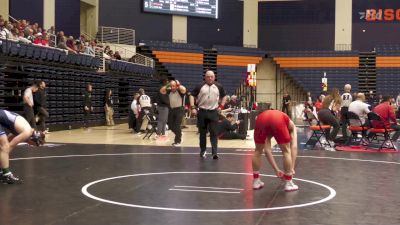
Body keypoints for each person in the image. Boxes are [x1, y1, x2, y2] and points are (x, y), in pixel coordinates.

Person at [252, 109, 298, 192]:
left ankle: (256, 181)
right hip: (277, 120)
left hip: (261, 119)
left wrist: (276, 169)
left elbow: (267, 150)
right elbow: (293, 147)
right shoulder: (291, 125)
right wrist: (291, 169)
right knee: (286, 151)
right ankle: (289, 183)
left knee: (258, 151)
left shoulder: (278, 120)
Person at [0, 109, 45, 184]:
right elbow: (9, 147)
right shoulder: (27, 132)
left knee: (3, 146)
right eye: (35, 144)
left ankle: (3, 172)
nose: (31, 145)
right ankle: (6, 175)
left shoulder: (24, 130)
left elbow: (8, 141)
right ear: (34, 139)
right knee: (5, 146)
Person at [190, 70, 227, 159]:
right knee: (202, 134)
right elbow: (191, 95)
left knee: (214, 133)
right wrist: (192, 107)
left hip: (213, 112)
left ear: (214, 77)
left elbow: (224, 96)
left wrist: (221, 106)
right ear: (205, 77)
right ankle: (203, 151)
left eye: (211, 76)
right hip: (202, 112)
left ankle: (214, 153)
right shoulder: (200, 86)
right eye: (208, 76)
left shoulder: (219, 86)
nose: (210, 78)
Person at [160, 80, 187, 146]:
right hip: (171, 110)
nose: (172, 87)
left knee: (177, 125)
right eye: (171, 86)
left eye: (174, 86)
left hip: (179, 110)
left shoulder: (180, 91)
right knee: (171, 126)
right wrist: (168, 85)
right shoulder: (169, 91)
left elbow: (184, 89)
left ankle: (177, 141)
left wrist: (178, 84)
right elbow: (161, 91)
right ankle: (179, 134)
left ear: (176, 86)